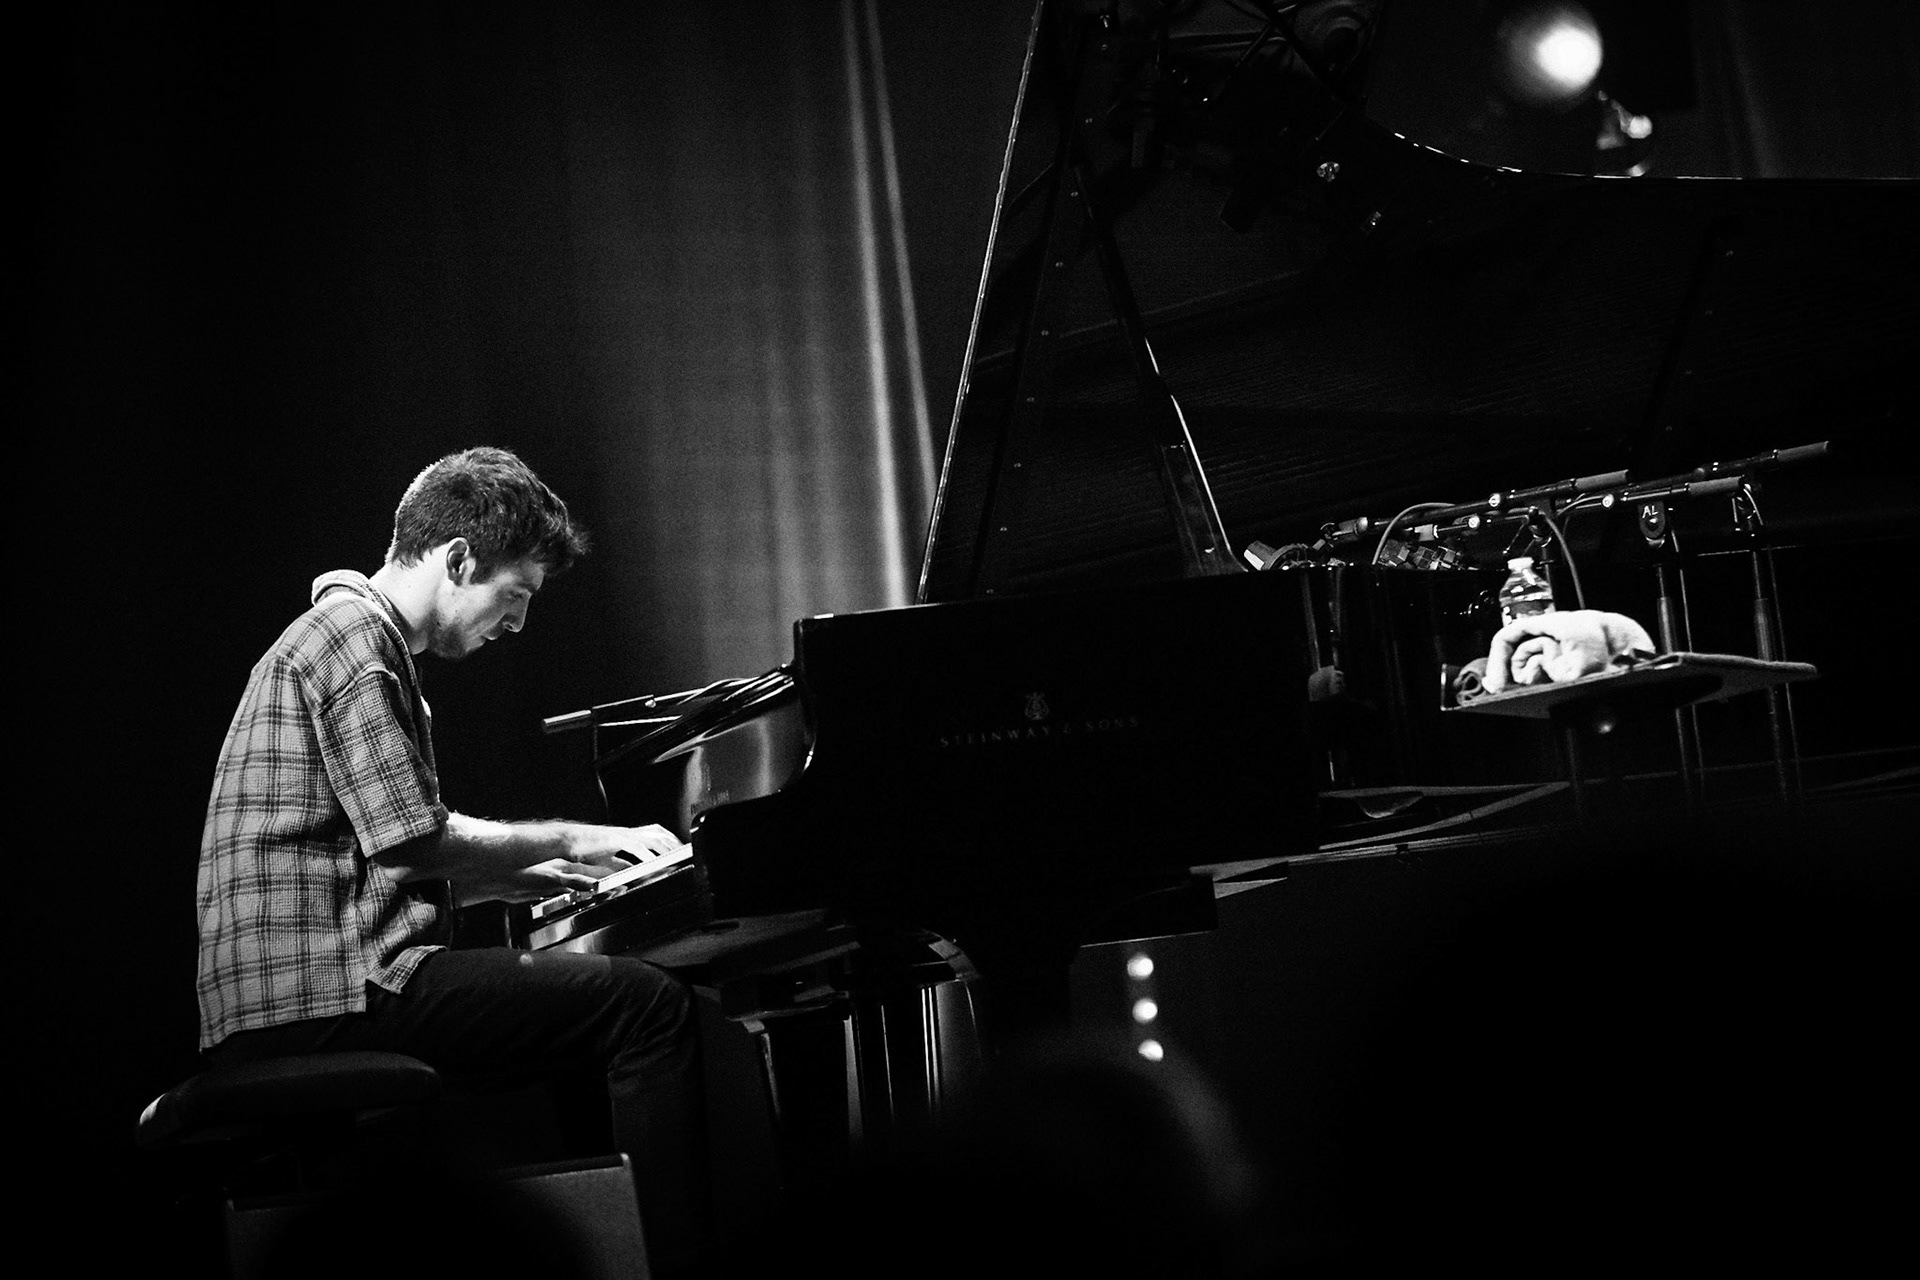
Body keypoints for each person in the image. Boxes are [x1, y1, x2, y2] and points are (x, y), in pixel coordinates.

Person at [195, 446, 712, 1274]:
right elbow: (409, 846)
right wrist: (578, 840)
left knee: (587, 1014)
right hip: (329, 994)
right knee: (645, 1008)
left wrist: (550, 880)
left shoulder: (345, 637)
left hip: (302, 990)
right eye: (516, 595)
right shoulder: (354, 641)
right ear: (460, 559)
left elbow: (383, 854)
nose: (518, 624)